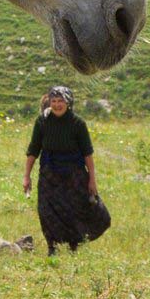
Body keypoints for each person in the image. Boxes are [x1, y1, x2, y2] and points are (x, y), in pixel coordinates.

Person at [23, 85, 110, 256]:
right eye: (54, 101)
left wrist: (92, 179)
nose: (57, 105)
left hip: (74, 176)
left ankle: (73, 245)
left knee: (74, 210)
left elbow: (87, 154)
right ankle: (52, 247)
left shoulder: (78, 124)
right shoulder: (42, 122)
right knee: (47, 212)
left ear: (68, 102)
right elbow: (33, 150)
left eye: (60, 101)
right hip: (49, 175)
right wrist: (26, 176)